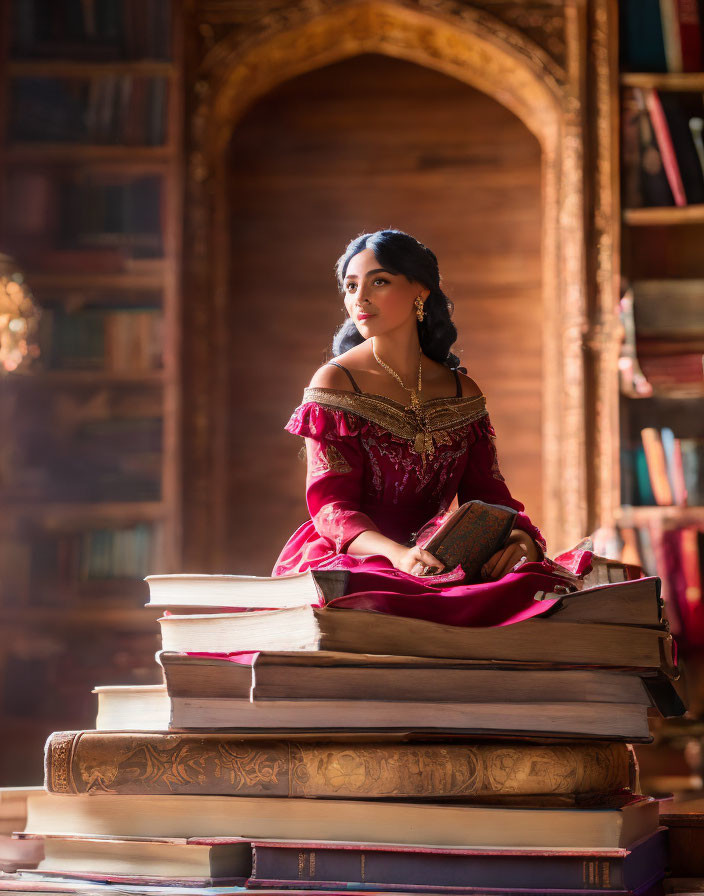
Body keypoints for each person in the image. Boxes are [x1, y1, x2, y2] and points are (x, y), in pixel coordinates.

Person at [272, 229, 575, 627]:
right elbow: (332, 511)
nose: (359, 298)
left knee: (530, 588)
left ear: (421, 291)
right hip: (357, 558)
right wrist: (399, 557)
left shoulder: (461, 391)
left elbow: (490, 497)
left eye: (378, 282)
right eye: (350, 286)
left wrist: (521, 542)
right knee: (386, 602)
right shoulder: (335, 383)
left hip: (439, 558)